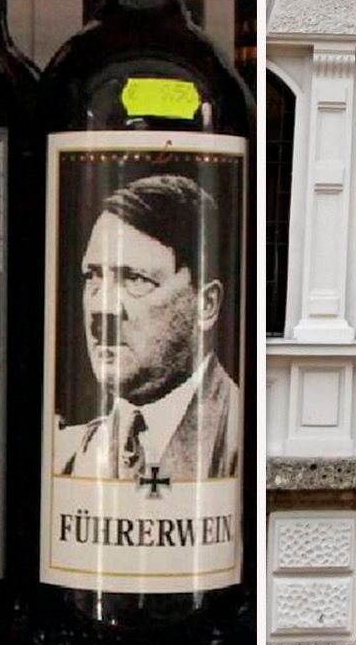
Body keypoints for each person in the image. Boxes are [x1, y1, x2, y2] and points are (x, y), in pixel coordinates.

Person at [54, 169, 245, 494]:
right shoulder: (66, 452)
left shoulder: (237, 435)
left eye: (135, 279)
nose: (103, 308)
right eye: (93, 277)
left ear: (206, 305)